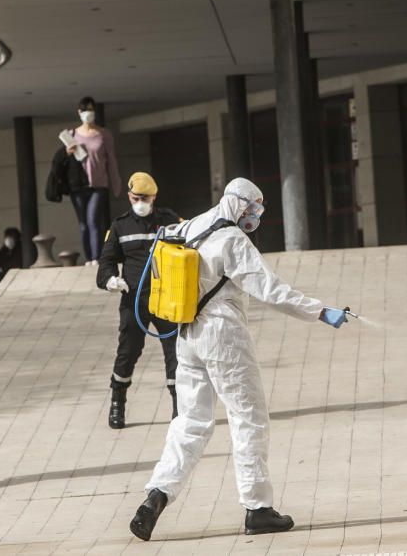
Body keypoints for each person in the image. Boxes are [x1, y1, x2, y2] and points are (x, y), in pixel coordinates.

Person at [129, 178, 351, 541]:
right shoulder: (233, 240)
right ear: (240, 205)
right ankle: (258, 508)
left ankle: (156, 496)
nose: (255, 216)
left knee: (191, 422)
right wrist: (320, 311)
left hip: (186, 335)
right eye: (253, 209)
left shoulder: (190, 225)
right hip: (223, 336)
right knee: (249, 418)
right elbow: (270, 289)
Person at [97, 172, 181, 429]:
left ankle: (180, 408)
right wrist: (111, 280)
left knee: (176, 353)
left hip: (167, 299)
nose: (141, 202)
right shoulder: (121, 226)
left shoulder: (169, 220)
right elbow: (106, 262)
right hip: (134, 299)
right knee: (128, 351)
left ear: (154, 197)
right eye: (136, 198)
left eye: (145, 198)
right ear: (129, 197)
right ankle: (117, 402)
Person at [64, 96, 122, 264]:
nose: (87, 113)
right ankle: (89, 257)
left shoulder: (104, 134)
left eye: (90, 109)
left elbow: (111, 160)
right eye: (84, 110)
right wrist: (67, 152)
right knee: (83, 224)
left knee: (93, 220)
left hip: (99, 184)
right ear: (79, 112)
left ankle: (96, 257)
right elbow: (63, 161)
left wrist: (116, 183)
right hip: (78, 185)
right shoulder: (72, 134)